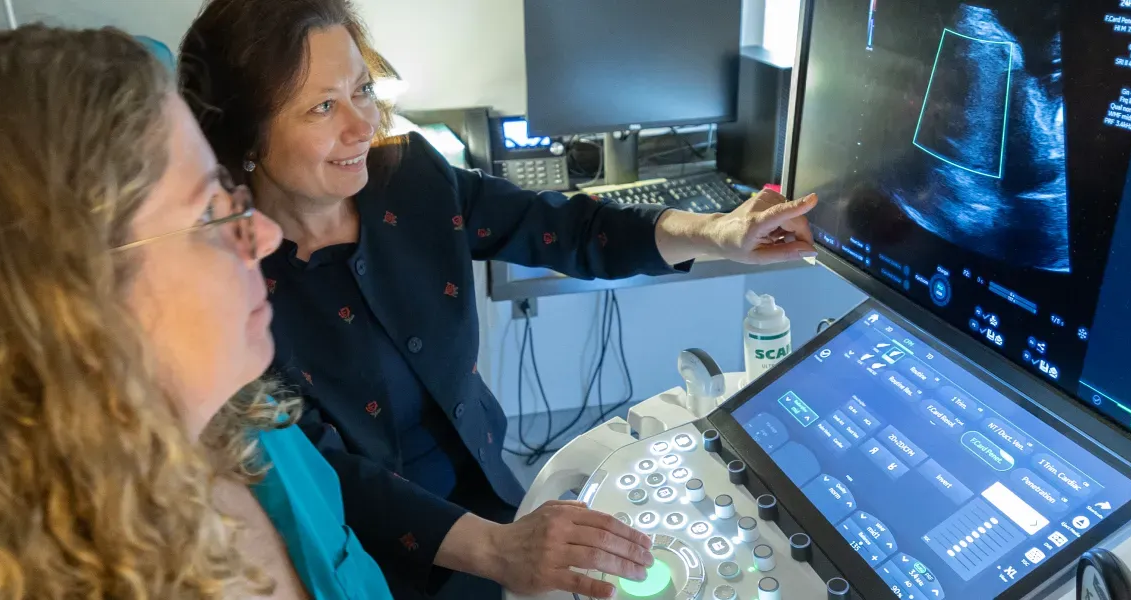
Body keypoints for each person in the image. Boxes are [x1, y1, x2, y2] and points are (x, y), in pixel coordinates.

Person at [178, 1, 816, 598]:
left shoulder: (410, 180)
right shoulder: (231, 288)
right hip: (364, 557)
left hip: (491, 499)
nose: (363, 123)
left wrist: (717, 233)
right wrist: (499, 551)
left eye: (362, 90)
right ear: (248, 138)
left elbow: (568, 228)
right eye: (322, 108)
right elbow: (323, 472)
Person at [0, 25, 432, 599]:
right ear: (55, 297)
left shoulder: (256, 427)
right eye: (207, 214)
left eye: (231, 195)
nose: (266, 236)